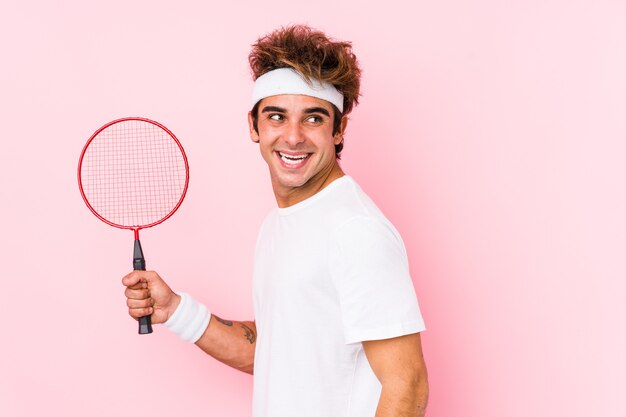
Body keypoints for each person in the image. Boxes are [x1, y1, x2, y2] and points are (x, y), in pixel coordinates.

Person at [123, 25, 428, 417]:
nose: (293, 136)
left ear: (339, 130)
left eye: (314, 119)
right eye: (277, 116)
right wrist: (176, 310)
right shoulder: (280, 223)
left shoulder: (356, 230)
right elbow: (278, 354)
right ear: (254, 126)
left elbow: (408, 385)